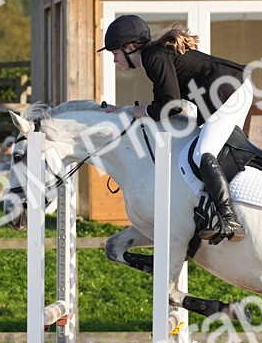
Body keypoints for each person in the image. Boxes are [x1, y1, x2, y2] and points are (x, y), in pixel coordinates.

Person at [99, 15, 253, 243]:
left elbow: (170, 107)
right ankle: (219, 211)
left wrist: (136, 111)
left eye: (115, 53)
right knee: (219, 153)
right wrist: (128, 111)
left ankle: (228, 219)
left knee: (203, 154)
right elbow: (161, 107)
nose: (115, 60)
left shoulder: (154, 58)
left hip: (228, 93)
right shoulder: (154, 56)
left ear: (130, 48)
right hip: (234, 89)